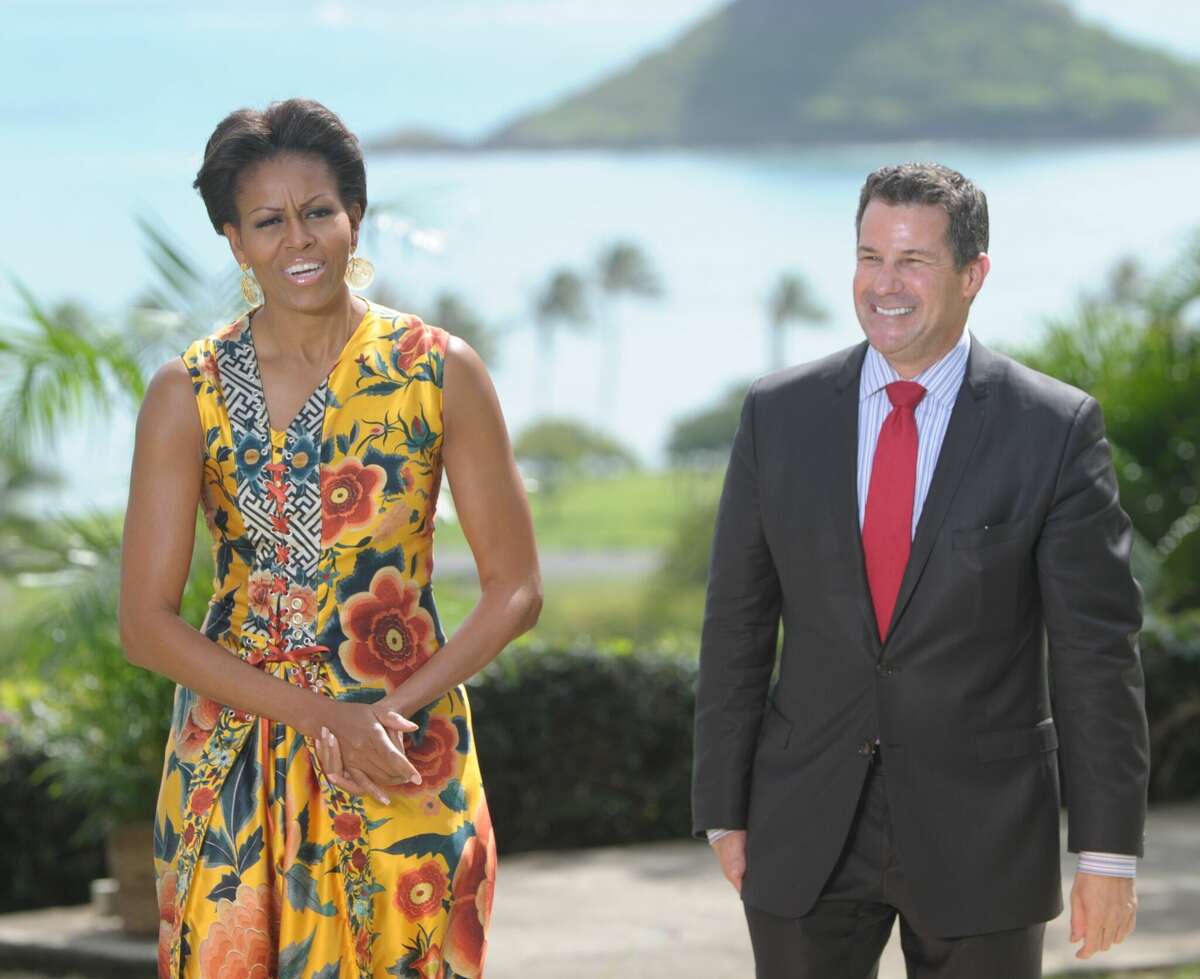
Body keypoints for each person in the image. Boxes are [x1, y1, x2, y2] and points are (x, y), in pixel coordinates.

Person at [691, 162, 1148, 979]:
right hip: (806, 825)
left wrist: (1108, 851)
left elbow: (1097, 652)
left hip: (987, 832)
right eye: (869, 257)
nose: (884, 285)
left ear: (974, 274)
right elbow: (737, 622)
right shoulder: (779, 414)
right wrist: (723, 808)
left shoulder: (1052, 428)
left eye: (914, 261)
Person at [119, 98, 541, 979]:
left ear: (356, 215)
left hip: (403, 748)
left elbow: (515, 588)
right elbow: (146, 624)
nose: (298, 240)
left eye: (318, 212)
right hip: (231, 764)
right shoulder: (187, 390)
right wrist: (324, 716)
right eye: (268, 221)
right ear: (234, 240)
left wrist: (384, 714)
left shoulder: (437, 370)